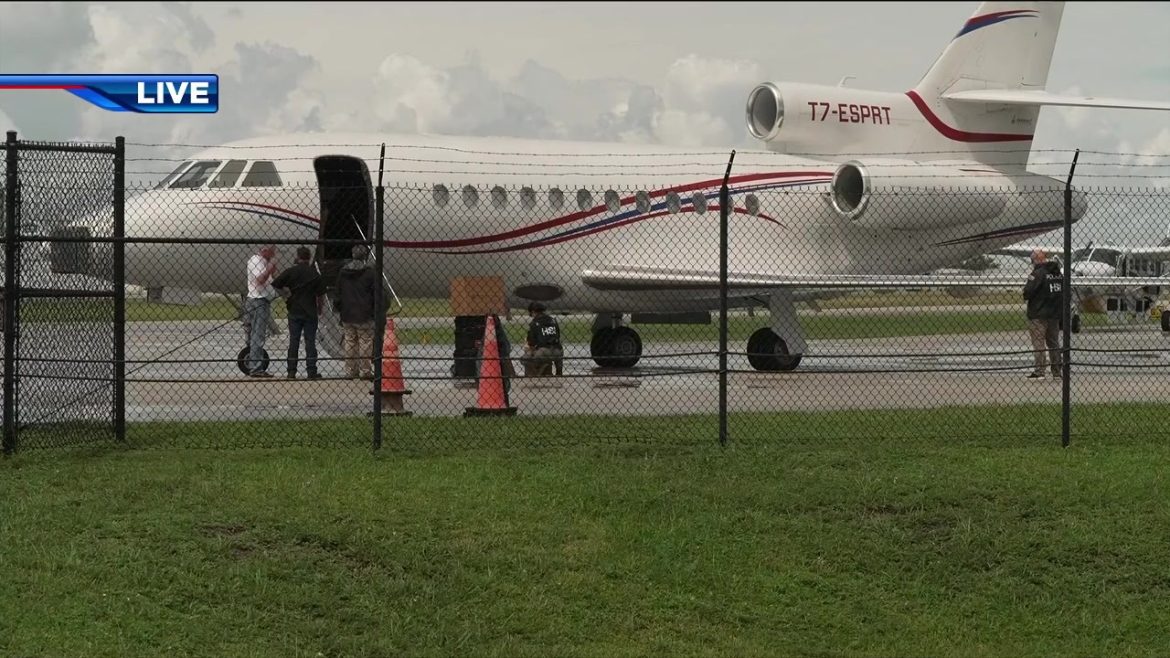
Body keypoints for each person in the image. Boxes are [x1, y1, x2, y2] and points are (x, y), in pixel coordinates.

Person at [272, 246, 326, 379]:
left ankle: (291, 371)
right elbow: (321, 295)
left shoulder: (291, 271)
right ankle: (311, 371)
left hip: (294, 310)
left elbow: (276, 284)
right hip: (310, 311)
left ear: (297, 257)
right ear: (309, 258)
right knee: (310, 342)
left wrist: (286, 295)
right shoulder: (314, 274)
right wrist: (319, 308)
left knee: (294, 341)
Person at [335, 244, 378, 380]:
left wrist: (339, 308)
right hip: (364, 313)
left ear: (352, 255)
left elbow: (338, 293)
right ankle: (365, 371)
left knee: (349, 341)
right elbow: (375, 294)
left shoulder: (343, 272)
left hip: (347, 312)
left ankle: (350, 370)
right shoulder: (370, 273)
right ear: (365, 256)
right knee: (365, 342)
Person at [1023, 249, 1064, 379]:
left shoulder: (1037, 273)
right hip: (1054, 313)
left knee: (1039, 343)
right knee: (1054, 343)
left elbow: (1028, 292)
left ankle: (1040, 371)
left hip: (1038, 313)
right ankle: (1057, 371)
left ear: (1036, 260)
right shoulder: (1057, 274)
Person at [244, 244, 278, 378]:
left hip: (261, 299)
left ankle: (254, 364)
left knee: (255, 334)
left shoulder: (262, 262)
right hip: (258, 300)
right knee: (258, 335)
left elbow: (269, 279)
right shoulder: (257, 261)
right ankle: (256, 367)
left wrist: (271, 269)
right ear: (265, 250)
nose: (274, 254)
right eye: (272, 251)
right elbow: (260, 280)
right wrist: (270, 268)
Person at [520, 301, 563, 377]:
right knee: (549, 354)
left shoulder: (534, 323)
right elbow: (558, 335)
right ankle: (558, 373)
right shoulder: (553, 320)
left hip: (543, 351)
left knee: (525, 358)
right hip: (558, 350)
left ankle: (536, 374)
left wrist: (529, 348)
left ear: (533, 312)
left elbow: (531, 342)